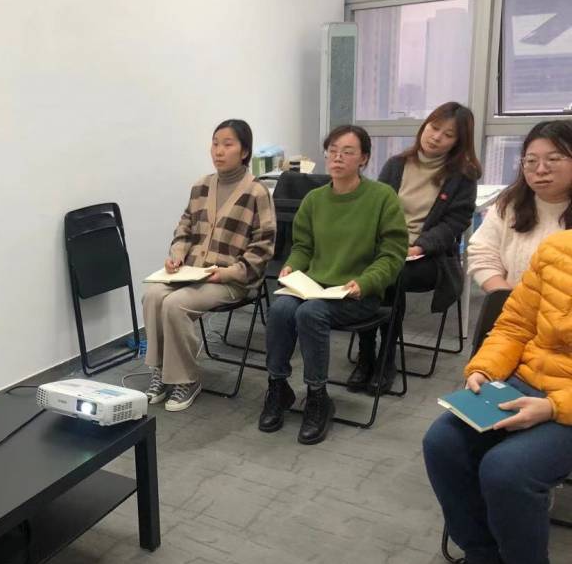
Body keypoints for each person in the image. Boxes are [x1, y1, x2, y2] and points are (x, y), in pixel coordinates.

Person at [420, 228, 572, 564]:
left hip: (564, 405)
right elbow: (515, 325)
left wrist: (554, 407)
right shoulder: (557, 248)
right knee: (443, 443)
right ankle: (483, 563)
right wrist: (485, 369)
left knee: (507, 469)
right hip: (525, 382)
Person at [259, 124, 407, 444]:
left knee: (310, 313)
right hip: (316, 287)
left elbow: (393, 255)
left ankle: (317, 396)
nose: (337, 158)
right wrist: (292, 266)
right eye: (333, 151)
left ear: (363, 159)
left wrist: (365, 282)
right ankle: (278, 387)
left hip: (357, 294)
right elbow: (303, 247)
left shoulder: (382, 198)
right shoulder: (315, 200)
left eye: (347, 152)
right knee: (282, 308)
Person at [143, 119, 276, 411]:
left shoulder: (257, 192)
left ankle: (186, 379)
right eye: (215, 144)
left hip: (231, 279)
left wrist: (228, 273)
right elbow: (184, 228)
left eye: (228, 144)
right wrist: (177, 255)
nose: (219, 151)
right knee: (153, 295)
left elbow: (264, 246)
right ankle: (161, 372)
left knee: (175, 304)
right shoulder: (201, 186)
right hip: (192, 272)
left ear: (244, 151)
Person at [351, 102, 481, 394]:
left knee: (389, 276)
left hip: (429, 259)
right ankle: (366, 352)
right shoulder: (396, 164)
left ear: (458, 142)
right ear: (425, 126)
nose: (436, 137)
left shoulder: (463, 176)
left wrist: (420, 246)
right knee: (364, 267)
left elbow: (454, 223)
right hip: (387, 249)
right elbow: (374, 209)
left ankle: (385, 357)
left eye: (448, 134)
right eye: (434, 127)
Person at [467, 120, 572, 292]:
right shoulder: (509, 205)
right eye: (531, 161)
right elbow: (483, 254)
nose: (541, 170)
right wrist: (507, 299)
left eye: (553, 159)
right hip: (514, 304)